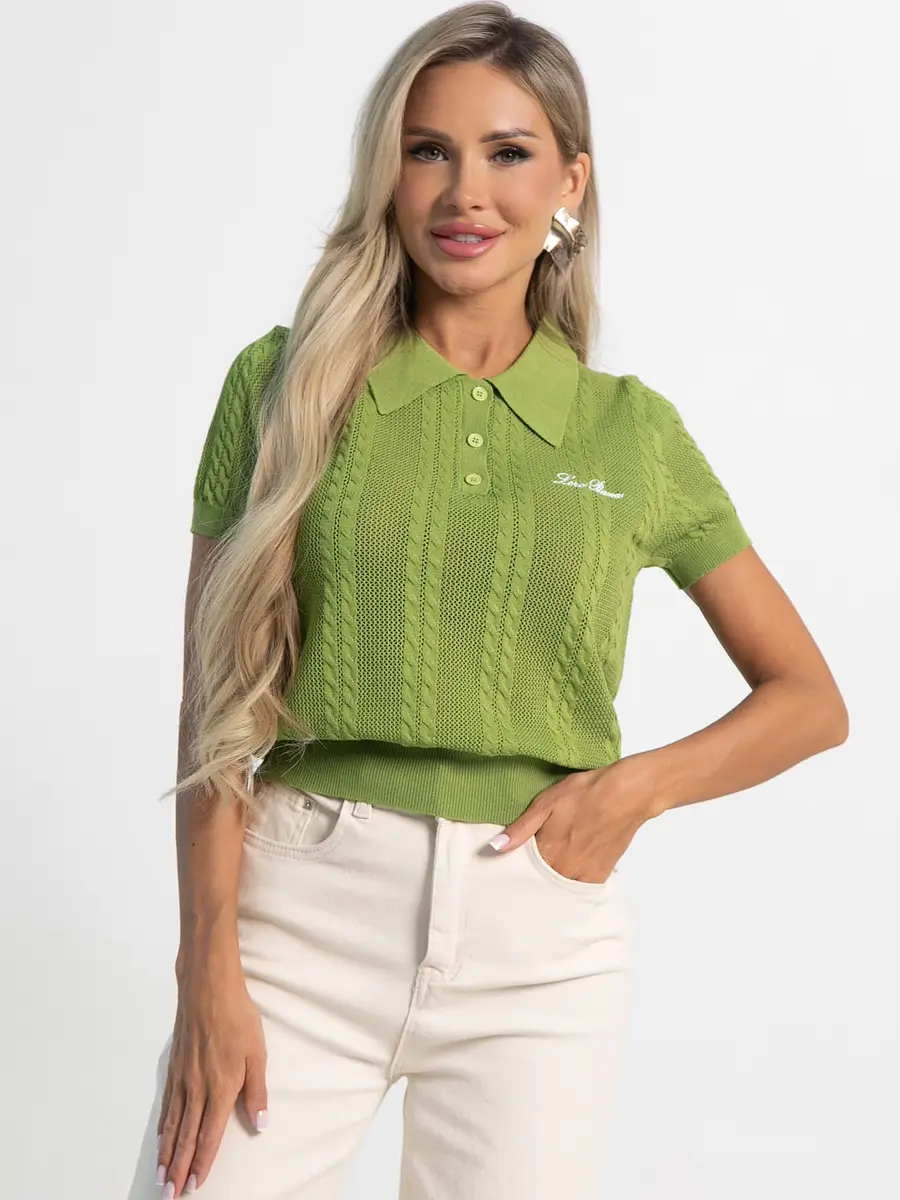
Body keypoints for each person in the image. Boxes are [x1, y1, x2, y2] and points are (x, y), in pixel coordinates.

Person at [127, 3, 849, 1197]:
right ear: (389, 174)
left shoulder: (630, 433)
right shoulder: (280, 383)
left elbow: (811, 700)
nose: (465, 192)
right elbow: (213, 710)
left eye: (508, 152)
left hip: (540, 947)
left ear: (570, 182)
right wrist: (205, 966)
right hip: (298, 914)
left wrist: (631, 791)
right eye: (429, 150)